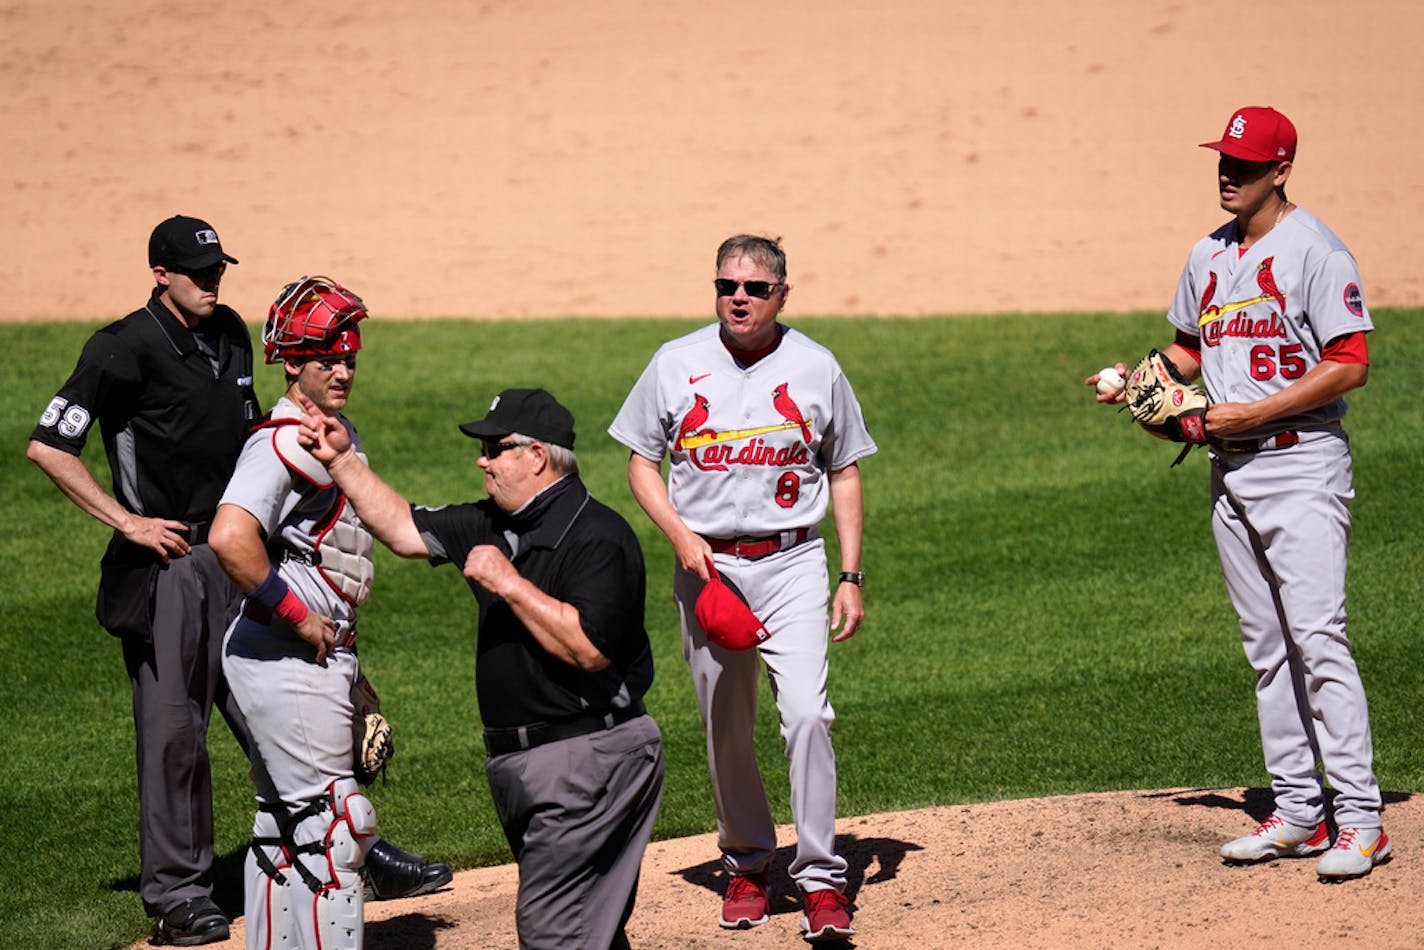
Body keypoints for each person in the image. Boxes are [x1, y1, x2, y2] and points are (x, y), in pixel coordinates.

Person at [26, 219, 447, 946]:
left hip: (247, 555)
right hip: (173, 566)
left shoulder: (227, 333)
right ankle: (176, 896)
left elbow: (253, 443)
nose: (211, 279)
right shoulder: (120, 346)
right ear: (160, 272)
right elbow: (47, 443)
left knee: (283, 711)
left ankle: (358, 852)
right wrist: (126, 522)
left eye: (217, 266)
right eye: (195, 270)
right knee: (176, 733)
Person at [1088, 106, 1389, 880]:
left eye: (1245, 165)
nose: (1228, 174)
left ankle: (1361, 820)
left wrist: (1256, 408)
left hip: (1301, 462)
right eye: (1223, 160)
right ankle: (1298, 813)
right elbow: (1192, 347)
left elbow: (1349, 362)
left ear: (1280, 170)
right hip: (1232, 471)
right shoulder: (1209, 253)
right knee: (1267, 651)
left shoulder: (1316, 252)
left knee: (1319, 641)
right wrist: (1141, 378)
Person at [299, 386, 665, 950]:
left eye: (495, 448)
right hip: (525, 766)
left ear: (536, 456)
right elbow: (400, 528)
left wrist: (510, 584)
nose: (482, 459)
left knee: (553, 931)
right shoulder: (490, 522)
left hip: (591, 759)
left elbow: (589, 649)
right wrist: (342, 460)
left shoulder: (598, 535)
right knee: (589, 925)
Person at [608, 234, 876, 941]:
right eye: (727, 284)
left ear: (783, 295)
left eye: (756, 288)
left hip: (792, 563)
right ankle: (750, 863)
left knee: (807, 715)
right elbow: (640, 461)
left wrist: (850, 573)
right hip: (708, 570)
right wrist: (678, 535)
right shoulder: (676, 363)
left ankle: (820, 878)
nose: (739, 297)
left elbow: (844, 468)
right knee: (726, 723)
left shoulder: (816, 367)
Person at [209, 276, 452, 949]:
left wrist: (342, 653)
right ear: (292, 362)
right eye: (328, 361)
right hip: (283, 652)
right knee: (339, 829)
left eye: (350, 359)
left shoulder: (330, 434)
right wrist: (299, 617)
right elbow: (230, 537)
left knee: (283, 825)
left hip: (304, 655)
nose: (343, 371)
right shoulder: (281, 442)